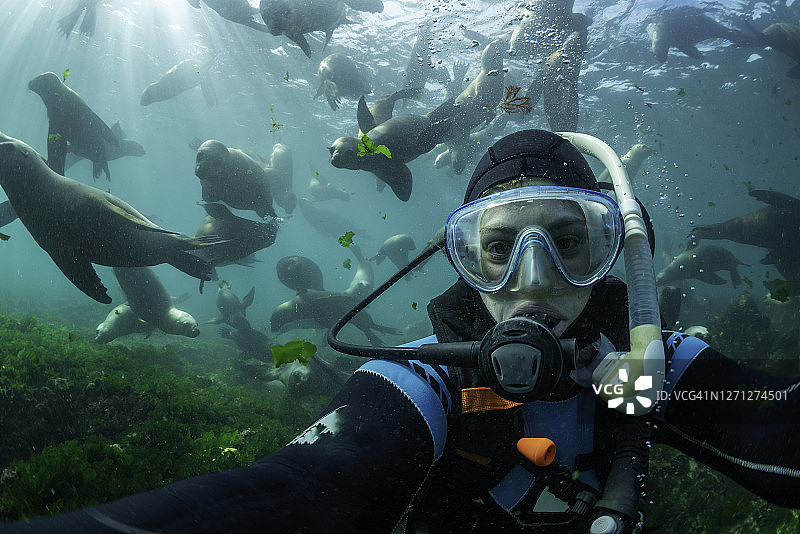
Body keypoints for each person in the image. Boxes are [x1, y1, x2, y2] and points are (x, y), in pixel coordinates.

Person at [4, 130, 800, 533]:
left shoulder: (651, 363)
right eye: (496, 248)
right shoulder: (425, 378)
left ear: (613, 249)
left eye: (567, 241)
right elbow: (300, 488)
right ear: (461, 261)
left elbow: (773, 423)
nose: (530, 280)